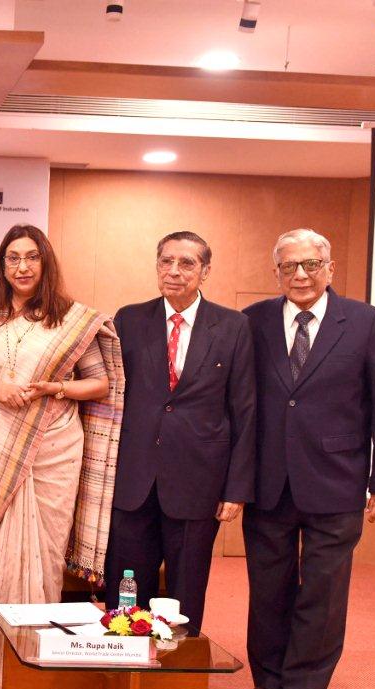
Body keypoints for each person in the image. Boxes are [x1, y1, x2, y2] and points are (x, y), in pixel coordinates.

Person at [240, 228, 375, 689]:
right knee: (268, 589)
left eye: (311, 264)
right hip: (268, 483)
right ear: (276, 273)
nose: (301, 275)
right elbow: (242, 406)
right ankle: (269, 682)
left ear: (330, 268)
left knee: (323, 591)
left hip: (336, 481)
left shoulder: (365, 322)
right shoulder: (252, 321)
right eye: (290, 266)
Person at [0, 224, 123, 689]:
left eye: (32, 257)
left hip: (54, 446)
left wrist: (55, 389)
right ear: (2, 265)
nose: (22, 267)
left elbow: (101, 384)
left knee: (43, 559)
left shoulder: (72, 319)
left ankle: (30, 670)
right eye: (13, 258)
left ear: (45, 263)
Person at [103, 231, 255, 636]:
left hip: (198, 483)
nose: (174, 271)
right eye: (166, 261)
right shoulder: (129, 319)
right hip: (133, 481)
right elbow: (111, 397)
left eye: (186, 263)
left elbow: (244, 411)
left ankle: (176, 680)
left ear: (205, 270)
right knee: (125, 590)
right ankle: (124, 671)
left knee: (186, 593)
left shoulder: (234, 326)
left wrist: (236, 488)